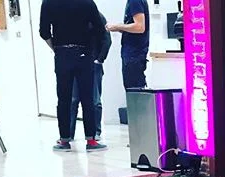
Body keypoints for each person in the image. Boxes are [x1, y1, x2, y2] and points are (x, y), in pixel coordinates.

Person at [39, 0, 107, 151]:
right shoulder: (87, 2)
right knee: (87, 98)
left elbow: (44, 32)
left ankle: (64, 140)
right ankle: (91, 140)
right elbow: (100, 29)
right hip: (84, 53)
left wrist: (56, 48)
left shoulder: (48, 2)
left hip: (62, 52)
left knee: (64, 98)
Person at [69, 10, 111, 142]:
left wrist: (99, 59)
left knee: (95, 101)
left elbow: (106, 39)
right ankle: (68, 134)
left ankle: (95, 132)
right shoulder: (72, 16)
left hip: (93, 63)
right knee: (73, 100)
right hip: (76, 63)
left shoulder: (98, 16)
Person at [106, 0, 149, 90]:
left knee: (133, 90)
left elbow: (139, 27)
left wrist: (118, 26)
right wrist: (120, 28)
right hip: (134, 54)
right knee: (133, 88)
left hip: (134, 54)